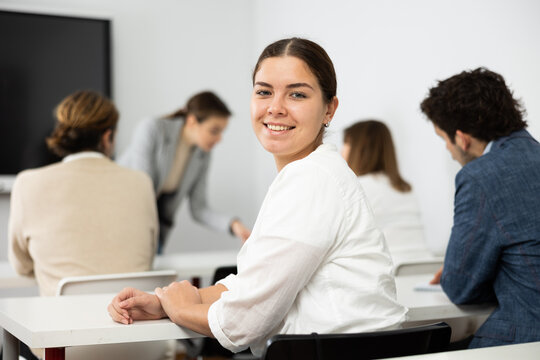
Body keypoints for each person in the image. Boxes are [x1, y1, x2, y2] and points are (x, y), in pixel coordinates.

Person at [108, 37, 407, 356]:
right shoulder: (308, 173)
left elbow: (241, 323)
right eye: (264, 91)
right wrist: (166, 302)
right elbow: (248, 285)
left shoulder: (313, 179)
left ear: (329, 110)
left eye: (297, 94)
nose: (275, 107)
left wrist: (179, 308)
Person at [421, 67, 540, 348]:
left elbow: (460, 287)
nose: (449, 152)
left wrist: (466, 269)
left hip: (524, 340)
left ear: (462, 138)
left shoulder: (480, 177)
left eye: (444, 140)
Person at [9, 90, 158, 297]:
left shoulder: (27, 183)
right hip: (131, 322)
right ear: (107, 137)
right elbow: (148, 257)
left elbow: (21, 266)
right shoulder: (141, 182)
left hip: (59, 324)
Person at [118, 91, 250, 253]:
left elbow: (199, 208)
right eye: (214, 131)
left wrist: (234, 225)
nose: (219, 139)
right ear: (192, 121)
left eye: (222, 132)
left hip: (154, 227)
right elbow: (141, 190)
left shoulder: (202, 155)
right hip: (123, 219)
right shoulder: (152, 129)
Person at [342, 120, 433, 263]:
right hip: (422, 271)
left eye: (346, 143)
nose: (342, 150)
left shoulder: (358, 187)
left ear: (359, 148)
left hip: (390, 275)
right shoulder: (405, 189)